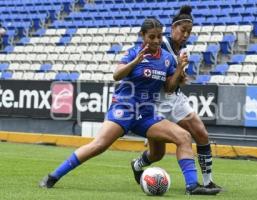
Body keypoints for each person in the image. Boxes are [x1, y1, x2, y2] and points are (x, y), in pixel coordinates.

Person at [39, 18, 217, 195]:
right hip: (124, 109)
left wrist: (179, 69)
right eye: (151, 37)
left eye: (159, 37)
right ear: (143, 36)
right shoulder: (133, 53)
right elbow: (116, 75)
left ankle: (192, 187)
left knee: (183, 137)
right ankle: (53, 176)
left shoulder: (168, 59)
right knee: (99, 145)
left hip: (147, 115)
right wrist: (136, 62)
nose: (156, 41)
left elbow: (169, 88)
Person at [131, 5, 222, 194]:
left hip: (175, 99)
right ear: (173, 28)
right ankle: (138, 164)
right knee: (157, 154)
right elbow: (164, 83)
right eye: (183, 30)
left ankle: (208, 182)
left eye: (189, 32)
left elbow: (176, 81)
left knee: (201, 134)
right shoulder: (160, 44)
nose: (186, 35)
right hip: (156, 103)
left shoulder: (183, 49)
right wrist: (178, 71)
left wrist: (181, 74)